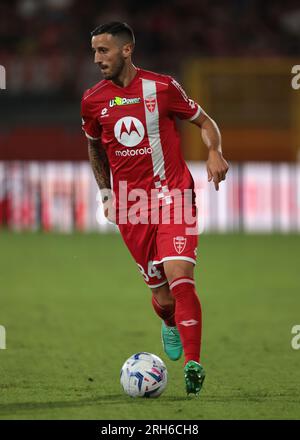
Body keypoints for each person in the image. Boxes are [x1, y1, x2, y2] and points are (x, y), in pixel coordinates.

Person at [81, 21, 229, 395]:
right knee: (164, 299)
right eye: (94, 51)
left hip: (174, 196)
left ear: (126, 50)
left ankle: (194, 366)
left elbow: (205, 121)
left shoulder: (162, 87)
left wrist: (214, 151)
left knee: (181, 277)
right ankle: (167, 321)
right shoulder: (92, 100)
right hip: (132, 207)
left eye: (104, 50)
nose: (97, 58)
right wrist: (105, 193)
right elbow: (95, 147)